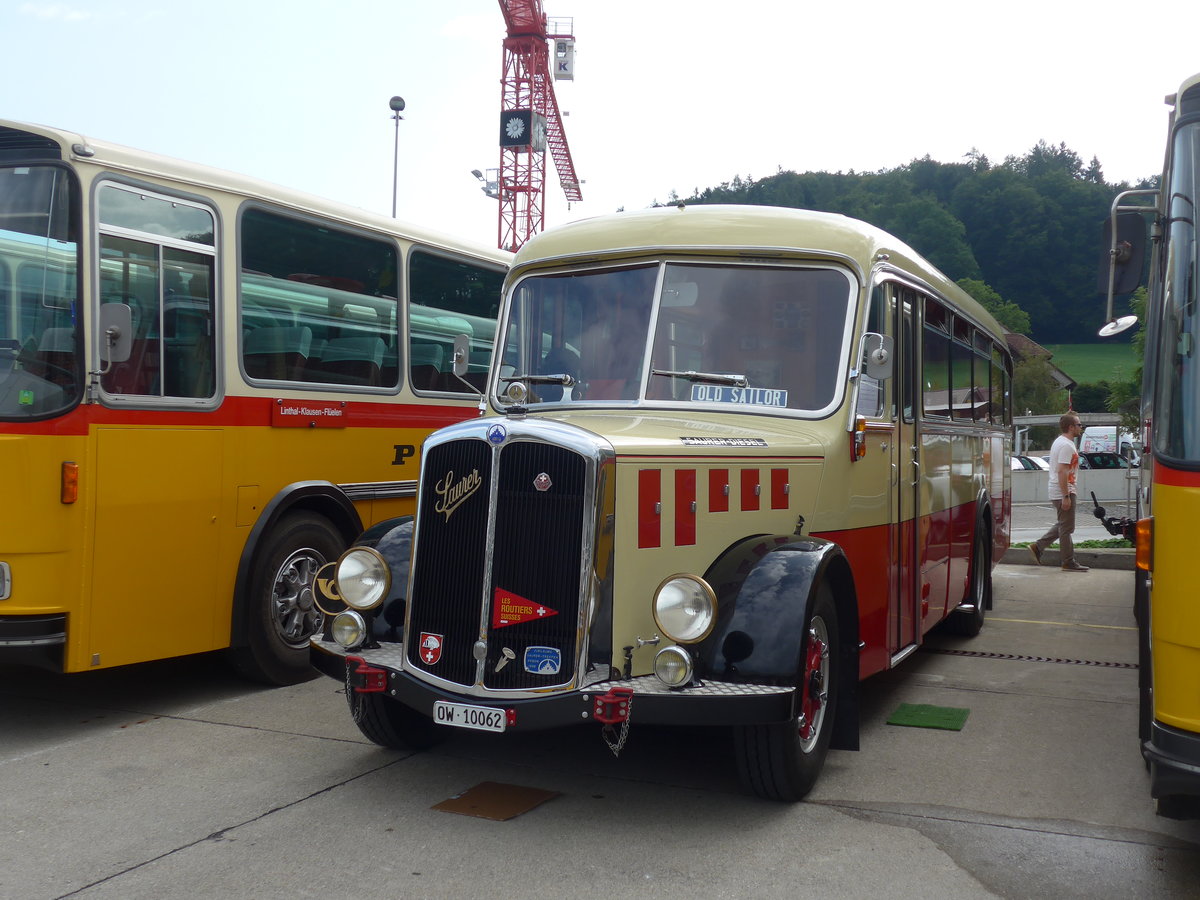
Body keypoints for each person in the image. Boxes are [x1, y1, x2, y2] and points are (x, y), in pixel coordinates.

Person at [1029, 414, 1089, 572]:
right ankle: (1068, 562)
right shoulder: (1066, 446)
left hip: (1061, 489)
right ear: (1071, 427)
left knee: (1064, 525)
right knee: (1067, 528)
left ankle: (1038, 547)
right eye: (1079, 424)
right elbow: (1062, 471)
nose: (1080, 427)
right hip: (1063, 490)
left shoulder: (1061, 442)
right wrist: (1066, 496)